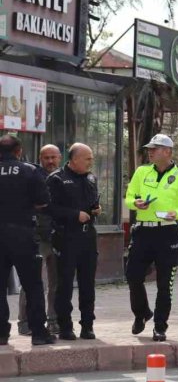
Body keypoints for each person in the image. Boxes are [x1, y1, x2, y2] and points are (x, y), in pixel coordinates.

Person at [124, 134, 178, 342]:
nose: (150, 151)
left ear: (167, 151)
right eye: (150, 148)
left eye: (155, 148)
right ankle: (142, 313)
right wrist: (135, 203)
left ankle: (160, 326)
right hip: (143, 231)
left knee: (165, 283)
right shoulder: (141, 171)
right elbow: (129, 197)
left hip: (167, 232)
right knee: (133, 276)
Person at [0, 134, 56, 346]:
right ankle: (38, 333)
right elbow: (43, 202)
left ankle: (1, 334)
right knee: (33, 285)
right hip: (23, 234)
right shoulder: (29, 171)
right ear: (18, 151)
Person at [46, 143, 100, 340]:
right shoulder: (57, 179)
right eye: (87, 159)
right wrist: (74, 215)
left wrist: (96, 209)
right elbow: (48, 208)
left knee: (88, 284)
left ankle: (88, 325)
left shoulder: (91, 178)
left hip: (88, 237)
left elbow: (93, 201)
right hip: (66, 237)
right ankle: (65, 326)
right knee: (65, 284)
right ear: (74, 159)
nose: (90, 162)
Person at [17, 143, 62, 336]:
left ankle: (54, 320)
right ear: (40, 158)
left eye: (53, 157)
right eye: (46, 157)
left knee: (57, 282)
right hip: (37, 235)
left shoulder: (64, 177)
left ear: (60, 157)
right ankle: (24, 322)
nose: (50, 161)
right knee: (32, 281)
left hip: (60, 236)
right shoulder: (32, 175)